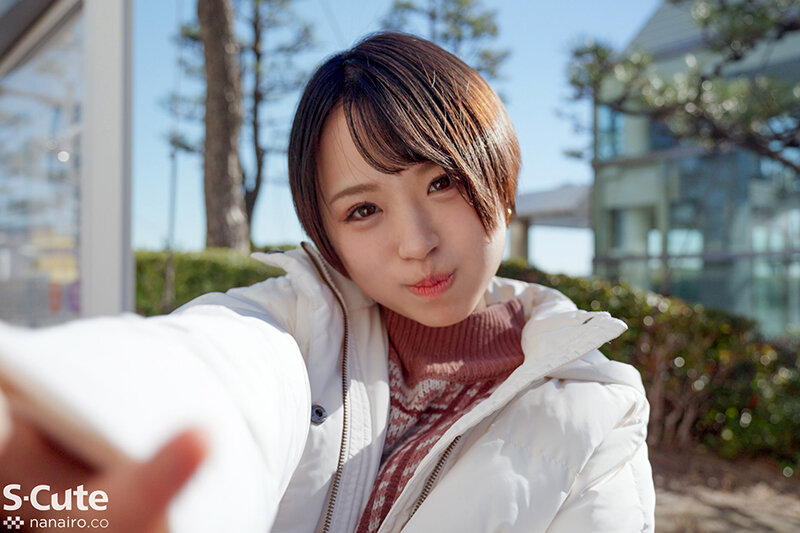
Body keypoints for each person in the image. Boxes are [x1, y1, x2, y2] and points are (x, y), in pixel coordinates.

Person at [0, 32, 654, 532]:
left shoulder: (598, 413)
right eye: (363, 210)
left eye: (442, 181)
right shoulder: (296, 325)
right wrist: (60, 409)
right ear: (327, 233)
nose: (416, 243)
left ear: (501, 179)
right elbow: (209, 369)